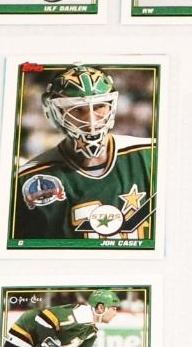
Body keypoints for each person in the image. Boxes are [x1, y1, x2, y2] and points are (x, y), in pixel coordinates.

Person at [12, 65, 157, 243]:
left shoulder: (151, 155)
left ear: (111, 106)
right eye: (77, 109)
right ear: (55, 113)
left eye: (99, 106)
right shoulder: (29, 179)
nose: (91, 120)